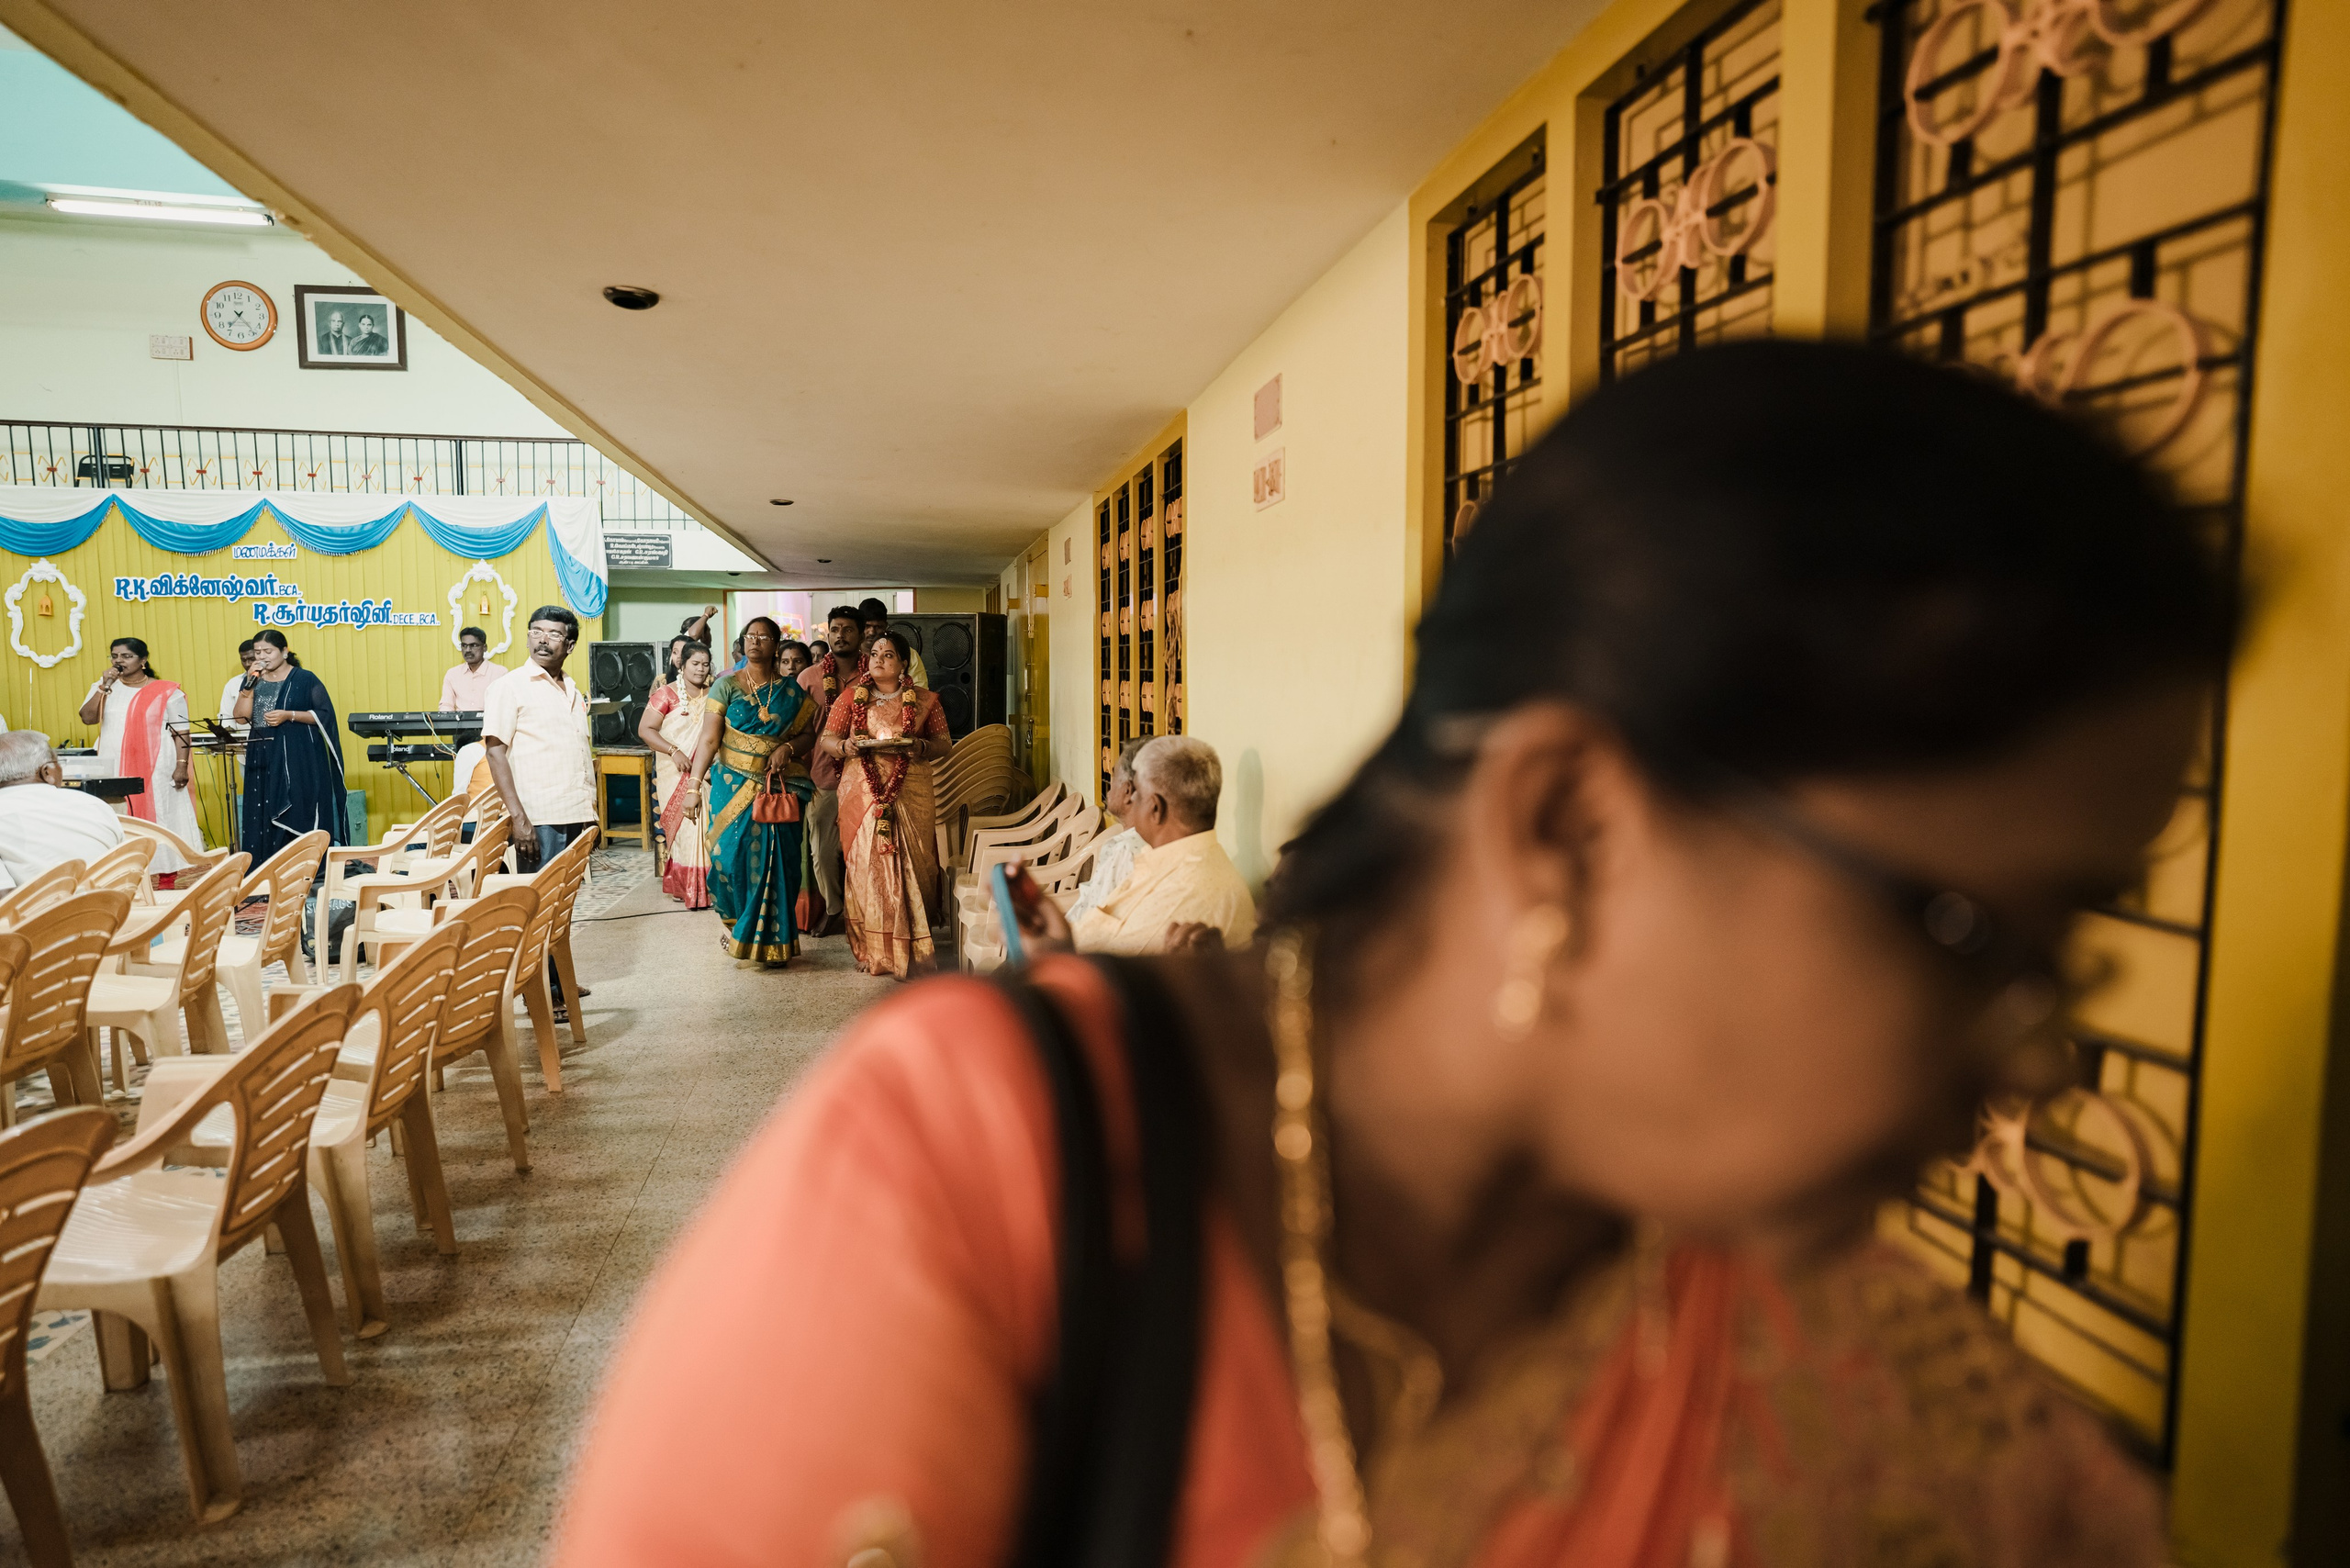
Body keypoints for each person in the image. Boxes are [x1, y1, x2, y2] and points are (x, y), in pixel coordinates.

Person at [557, 342, 2210, 1565]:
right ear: (1567, 826)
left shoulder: (1854, 1362)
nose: (2042, 1053)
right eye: (1981, 932)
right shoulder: (983, 1180)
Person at [1020, 734, 1255, 955]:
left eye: (1137, 794)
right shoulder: (1163, 862)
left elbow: (1106, 972)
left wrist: (1046, 948)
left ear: (1155, 808)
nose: (1130, 799)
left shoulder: (1189, 890)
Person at [679, 617, 817, 965]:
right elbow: (710, 738)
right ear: (743, 643)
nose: (756, 641)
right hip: (733, 784)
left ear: (776, 644)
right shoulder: (725, 686)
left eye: (764, 636)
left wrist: (789, 749)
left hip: (778, 787)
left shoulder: (792, 691)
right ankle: (739, 925)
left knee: (781, 863)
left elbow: (807, 735)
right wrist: (693, 786)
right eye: (750, 636)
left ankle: (775, 945)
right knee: (727, 859)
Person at [821, 629, 951, 979]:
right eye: (875, 654)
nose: (879, 660)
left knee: (915, 861)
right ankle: (872, 949)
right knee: (866, 865)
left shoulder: (925, 700)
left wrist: (920, 748)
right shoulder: (850, 698)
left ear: (904, 663)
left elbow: (943, 744)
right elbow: (827, 739)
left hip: (911, 789)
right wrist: (846, 748)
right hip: (863, 790)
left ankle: (916, 948)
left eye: (888, 654)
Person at [483, 605, 595, 875]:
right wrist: (518, 818)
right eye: (536, 632)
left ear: (570, 646)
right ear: (528, 638)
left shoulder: (572, 689)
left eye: (554, 634)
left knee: (564, 900)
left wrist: (591, 816)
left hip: (576, 814)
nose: (542, 640)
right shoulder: (509, 686)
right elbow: (494, 753)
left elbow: (580, 754)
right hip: (539, 818)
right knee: (538, 902)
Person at [78, 635, 200, 877]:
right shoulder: (103, 687)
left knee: (162, 816)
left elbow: (181, 733)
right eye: (114, 656)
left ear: (142, 660)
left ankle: (166, 874)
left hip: (158, 766)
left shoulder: (167, 692)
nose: (118, 661)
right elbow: (88, 718)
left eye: (126, 656)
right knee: (120, 817)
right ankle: (125, 874)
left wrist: (181, 766)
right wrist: (104, 687)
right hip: (115, 764)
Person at [233, 628, 348, 862]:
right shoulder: (251, 681)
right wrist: (248, 689)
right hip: (261, 753)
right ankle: (265, 869)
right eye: (257, 652)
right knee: (262, 811)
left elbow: (324, 715)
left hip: (298, 754)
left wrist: (289, 715)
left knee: (297, 806)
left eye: (268, 651)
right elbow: (240, 717)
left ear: (284, 651)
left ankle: (304, 866)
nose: (262, 657)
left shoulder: (304, 679)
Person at [798, 605, 866, 935]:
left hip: (868, 778)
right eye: (835, 629)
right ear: (827, 634)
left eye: (848, 629)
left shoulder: (876, 675)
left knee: (865, 849)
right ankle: (835, 908)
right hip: (822, 778)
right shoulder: (809, 678)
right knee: (821, 851)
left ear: (862, 634)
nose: (841, 635)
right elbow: (798, 731)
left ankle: (866, 912)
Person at [643, 639, 716, 909]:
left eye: (705, 664)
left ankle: (707, 889)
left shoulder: (714, 695)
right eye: (694, 664)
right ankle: (689, 888)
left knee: (706, 827)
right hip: (674, 773)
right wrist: (673, 750)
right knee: (688, 826)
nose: (700, 669)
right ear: (682, 665)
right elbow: (646, 730)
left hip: (706, 773)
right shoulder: (666, 694)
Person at [0, 730, 125, 889]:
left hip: (35, 912)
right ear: (47, 772)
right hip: (110, 908)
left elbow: (4, 898)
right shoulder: (97, 806)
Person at [1065, 734, 1152, 924]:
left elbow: (1093, 926)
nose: (1109, 785)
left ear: (1127, 791)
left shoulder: (1125, 851)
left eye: (1113, 776)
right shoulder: (1149, 842)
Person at [857, 597, 929, 687]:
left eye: (878, 627)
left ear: (886, 626)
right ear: (859, 625)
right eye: (867, 626)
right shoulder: (850, 654)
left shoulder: (908, 654)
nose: (872, 632)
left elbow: (921, 691)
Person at [439, 625, 508, 712]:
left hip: (491, 724)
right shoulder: (452, 674)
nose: (468, 650)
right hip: (460, 725)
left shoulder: (500, 674)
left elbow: (506, 705)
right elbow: (446, 705)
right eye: (464, 645)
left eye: (473, 645)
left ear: (484, 647)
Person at [216, 637, 259, 722]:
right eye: (244, 660)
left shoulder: (274, 680)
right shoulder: (233, 683)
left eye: (252, 659)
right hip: (242, 734)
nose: (247, 664)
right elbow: (226, 716)